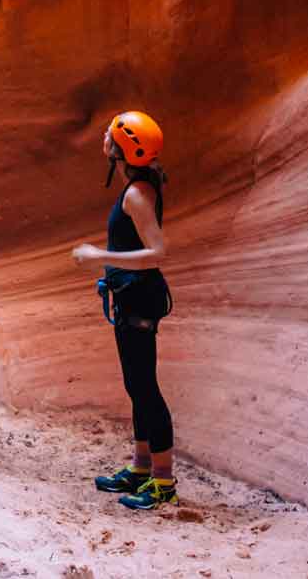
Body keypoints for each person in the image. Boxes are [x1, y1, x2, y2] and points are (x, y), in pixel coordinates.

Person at [71, 110, 176, 511]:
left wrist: (101, 255)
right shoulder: (137, 184)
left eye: (111, 134)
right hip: (131, 294)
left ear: (124, 149)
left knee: (144, 387)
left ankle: (163, 482)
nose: (105, 136)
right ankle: (140, 468)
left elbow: (157, 253)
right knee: (137, 385)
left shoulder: (136, 194)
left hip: (140, 296)